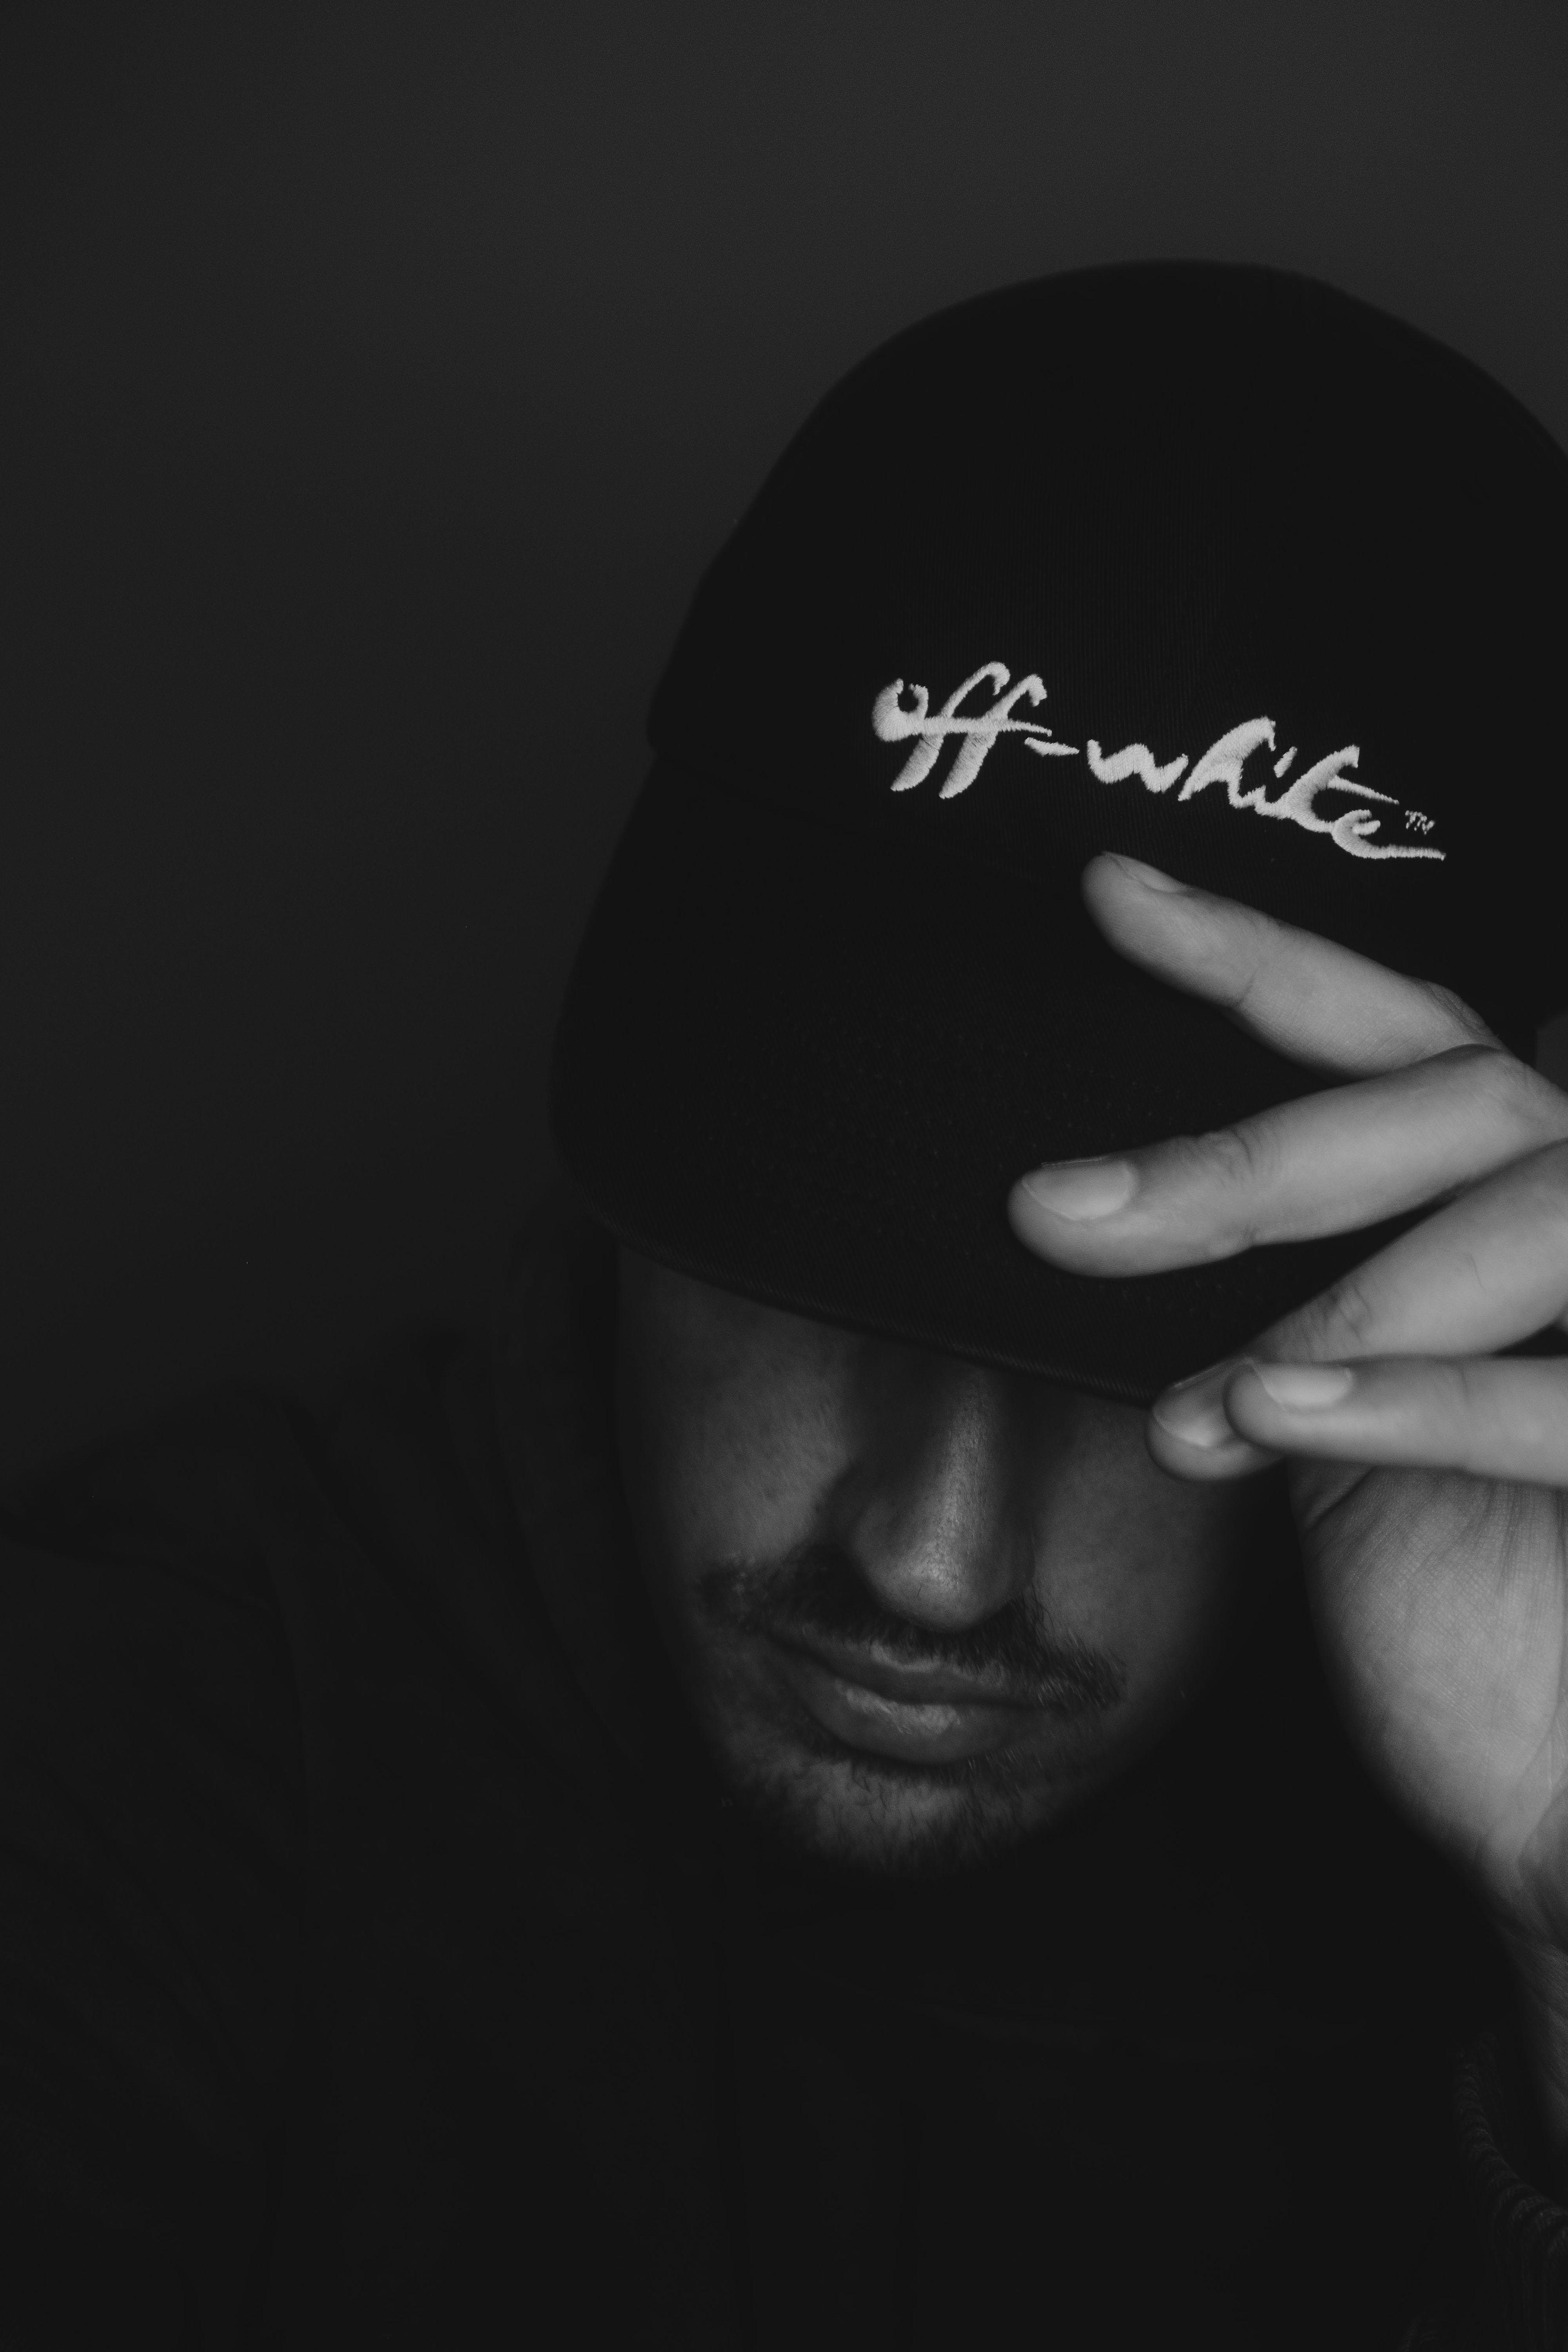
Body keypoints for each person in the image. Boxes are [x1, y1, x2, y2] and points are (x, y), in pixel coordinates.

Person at [3, 260, 1567, 2350]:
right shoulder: (131, 1747)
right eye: (833, 1265)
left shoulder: (1492, 1790)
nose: (931, 1560)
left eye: (1148, 1348)